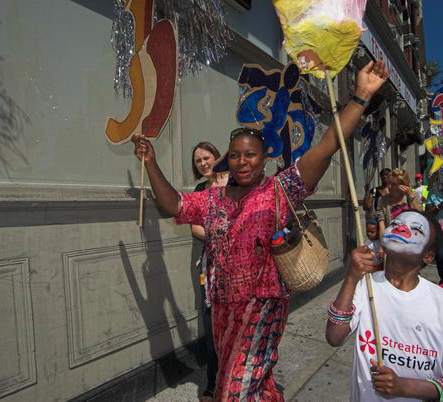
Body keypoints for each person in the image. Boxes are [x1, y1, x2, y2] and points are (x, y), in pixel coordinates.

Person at [132, 60, 389, 401]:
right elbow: (174, 205)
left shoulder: (281, 189)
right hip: (222, 306)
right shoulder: (212, 198)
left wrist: (360, 96)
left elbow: (329, 145)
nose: (242, 161)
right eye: (236, 156)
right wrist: (151, 163)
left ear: (265, 157)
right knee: (251, 383)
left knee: (234, 389)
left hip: (264, 304)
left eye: (250, 155)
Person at [326, 210, 443, 401]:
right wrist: (352, 277)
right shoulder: (365, 286)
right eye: (395, 223)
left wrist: (406, 387)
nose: (401, 227)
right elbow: (334, 336)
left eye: (416, 228)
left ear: (428, 256)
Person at [190, 141, 228, 401]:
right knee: (211, 322)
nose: (203, 163)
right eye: (198, 161)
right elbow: (195, 227)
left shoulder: (234, 183)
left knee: (234, 322)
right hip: (210, 266)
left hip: (238, 266)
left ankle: (234, 377)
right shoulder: (199, 189)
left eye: (206, 157)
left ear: (217, 157)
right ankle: (213, 381)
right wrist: (221, 236)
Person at [374, 169, 422, 236]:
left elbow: (420, 217)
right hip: (392, 238)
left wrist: (411, 198)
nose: (389, 186)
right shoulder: (382, 200)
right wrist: (383, 244)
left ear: (403, 185)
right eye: (388, 183)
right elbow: (382, 226)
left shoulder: (414, 195)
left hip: (412, 238)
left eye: (393, 184)